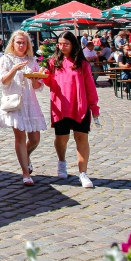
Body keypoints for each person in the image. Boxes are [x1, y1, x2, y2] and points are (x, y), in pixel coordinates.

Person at [41, 31, 99, 188]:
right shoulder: (53, 62)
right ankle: (62, 162)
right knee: (61, 139)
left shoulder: (82, 64)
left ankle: (83, 173)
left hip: (79, 106)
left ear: (73, 45)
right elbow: (50, 83)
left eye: (65, 44)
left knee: (81, 139)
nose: (62, 47)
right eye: (59, 44)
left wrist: (94, 106)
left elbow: (90, 87)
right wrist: (43, 76)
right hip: (60, 106)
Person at [0, 31, 48, 186]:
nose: (21, 45)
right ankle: (26, 173)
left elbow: (38, 86)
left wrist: (36, 78)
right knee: (20, 138)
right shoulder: (6, 59)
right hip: (15, 102)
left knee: (35, 139)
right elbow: (3, 82)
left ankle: (26, 157)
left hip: (30, 102)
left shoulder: (32, 60)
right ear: (13, 43)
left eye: (24, 42)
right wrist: (14, 69)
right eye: (18, 42)